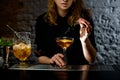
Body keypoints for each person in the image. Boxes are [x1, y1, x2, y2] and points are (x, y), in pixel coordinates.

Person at [35, 0, 96, 67]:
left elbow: (91, 59)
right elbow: (40, 57)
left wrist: (84, 41)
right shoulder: (42, 20)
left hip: (80, 72)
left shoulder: (84, 19)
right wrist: (51, 60)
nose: (65, 0)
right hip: (53, 72)